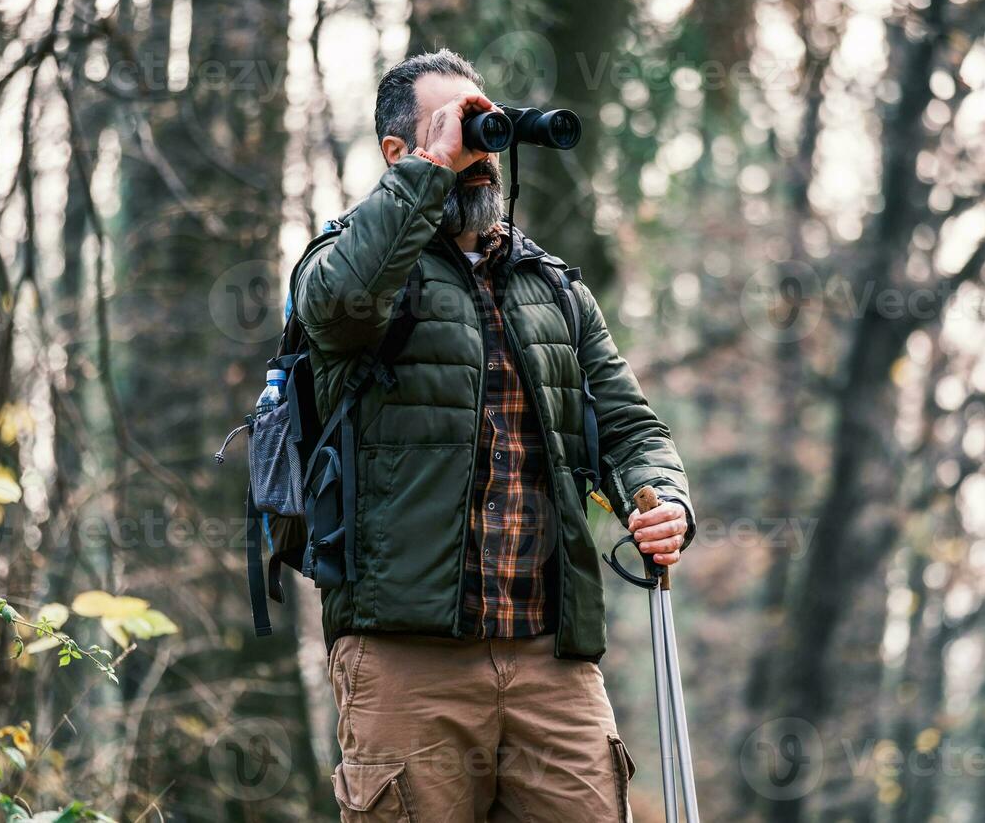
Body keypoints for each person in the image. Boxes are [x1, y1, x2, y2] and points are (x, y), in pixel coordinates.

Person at [294, 48, 694, 822]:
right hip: (407, 659)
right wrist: (433, 168)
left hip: (552, 659)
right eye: (455, 129)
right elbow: (339, 305)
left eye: (484, 127)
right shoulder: (350, 263)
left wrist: (666, 499)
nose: (480, 154)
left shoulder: (554, 287)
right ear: (396, 153)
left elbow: (630, 427)